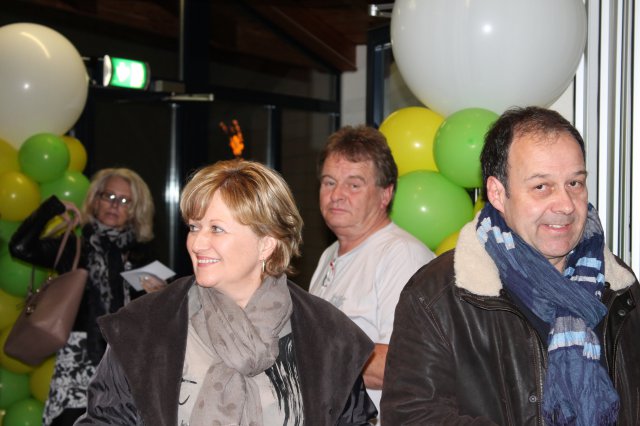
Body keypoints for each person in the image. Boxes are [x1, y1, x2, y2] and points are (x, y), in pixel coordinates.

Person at [381, 106, 640, 425]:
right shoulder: (436, 295)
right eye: (541, 186)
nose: (565, 205)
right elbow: (410, 416)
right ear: (497, 193)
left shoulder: (621, 287)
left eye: (574, 183)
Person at [75, 159, 377, 425]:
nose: (197, 243)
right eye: (194, 227)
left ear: (266, 244)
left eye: (216, 229)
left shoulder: (327, 335)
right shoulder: (145, 326)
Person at [9, 168, 164, 426]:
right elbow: (20, 247)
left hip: (124, 362)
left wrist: (159, 297)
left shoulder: (140, 255)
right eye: (108, 196)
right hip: (78, 361)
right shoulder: (74, 247)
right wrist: (51, 209)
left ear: (135, 211)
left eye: (124, 201)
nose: (114, 205)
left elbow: (156, 320)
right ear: (95, 200)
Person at [309, 125, 435, 419]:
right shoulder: (329, 254)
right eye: (329, 182)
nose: (337, 195)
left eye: (354, 185)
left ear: (385, 194)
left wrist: (306, 358)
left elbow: (402, 363)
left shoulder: (401, 255)